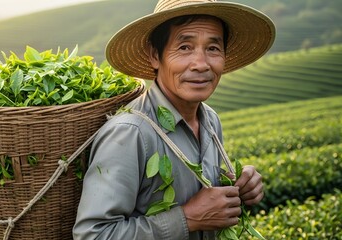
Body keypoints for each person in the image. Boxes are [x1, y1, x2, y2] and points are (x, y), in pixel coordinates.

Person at [73, 0, 275, 239]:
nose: (201, 64)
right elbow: (93, 235)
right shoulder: (130, 132)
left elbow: (201, 195)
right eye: (184, 48)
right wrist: (188, 218)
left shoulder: (210, 119)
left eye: (213, 48)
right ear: (154, 56)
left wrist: (239, 187)